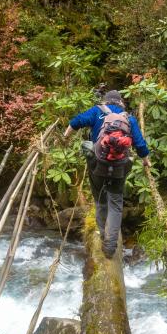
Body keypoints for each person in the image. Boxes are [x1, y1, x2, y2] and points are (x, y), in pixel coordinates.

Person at [63, 90, 151, 258]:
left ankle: (103, 235)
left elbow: (75, 122)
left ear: (106, 101)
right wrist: (146, 160)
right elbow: (140, 144)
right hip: (119, 166)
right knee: (116, 204)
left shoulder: (97, 111)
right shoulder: (128, 118)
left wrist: (65, 137)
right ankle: (110, 247)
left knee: (101, 202)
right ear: (120, 103)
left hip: (98, 165)